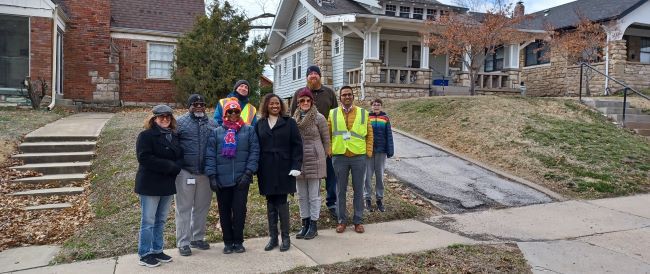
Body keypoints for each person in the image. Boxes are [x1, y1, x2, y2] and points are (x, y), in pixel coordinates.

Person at [205, 98, 260, 254]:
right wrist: (212, 177)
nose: (234, 114)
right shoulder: (216, 133)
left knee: (240, 211)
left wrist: (248, 173)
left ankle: (238, 240)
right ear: (225, 114)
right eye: (230, 111)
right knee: (224, 212)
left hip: (241, 180)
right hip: (222, 180)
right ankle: (228, 242)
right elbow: (210, 156)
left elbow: (254, 152)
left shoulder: (248, 130)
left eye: (236, 111)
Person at [135, 105, 183, 268]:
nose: (165, 119)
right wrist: (170, 166)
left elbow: (179, 156)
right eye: (161, 117)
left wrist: (177, 166)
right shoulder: (146, 136)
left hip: (167, 184)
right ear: (154, 119)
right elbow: (145, 158)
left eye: (168, 117)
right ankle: (145, 253)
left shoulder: (174, 136)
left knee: (161, 220)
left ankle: (157, 250)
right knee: (148, 220)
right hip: (150, 184)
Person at [290, 65, 339, 219]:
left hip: (325, 142)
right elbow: (293, 117)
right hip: (304, 145)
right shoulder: (298, 93)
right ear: (306, 77)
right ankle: (307, 212)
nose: (313, 76)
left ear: (320, 76)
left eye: (315, 73)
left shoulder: (329, 93)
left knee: (331, 175)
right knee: (306, 177)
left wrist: (329, 145)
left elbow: (335, 116)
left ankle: (332, 203)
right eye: (310, 74)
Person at [256, 93, 303, 251]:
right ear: (266, 106)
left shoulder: (289, 122)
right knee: (270, 203)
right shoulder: (260, 123)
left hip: (284, 168)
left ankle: (286, 238)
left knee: (282, 203)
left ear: (281, 106)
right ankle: (273, 238)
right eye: (271, 104)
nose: (275, 106)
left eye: (277, 103)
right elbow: (256, 146)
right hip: (266, 168)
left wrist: (296, 165)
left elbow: (297, 145)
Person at [174, 94, 217, 256]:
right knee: (183, 208)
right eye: (195, 104)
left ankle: (197, 237)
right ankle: (183, 242)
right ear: (189, 106)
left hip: (205, 173)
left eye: (202, 104)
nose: (199, 106)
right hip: (185, 172)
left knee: (201, 208)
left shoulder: (212, 123)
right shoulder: (179, 123)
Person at [328, 86, 373, 234]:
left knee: (358, 189)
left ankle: (358, 221)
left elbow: (369, 134)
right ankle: (342, 221)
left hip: (358, 156)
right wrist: (329, 150)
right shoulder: (333, 113)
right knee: (340, 190)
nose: (347, 97)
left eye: (349, 94)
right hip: (339, 156)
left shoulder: (363, 113)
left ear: (353, 97)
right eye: (344, 95)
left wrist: (368, 151)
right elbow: (328, 133)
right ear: (340, 98)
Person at [292, 88, 330, 240]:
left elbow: (326, 139)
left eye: (308, 100)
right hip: (299, 160)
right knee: (301, 195)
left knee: (314, 195)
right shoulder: (293, 119)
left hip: (315, 158)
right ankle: (305, 223)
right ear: (298, 103)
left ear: (312, 102)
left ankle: (313, 225)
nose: (305, 103)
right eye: (302, 100)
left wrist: (326, 154)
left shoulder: (319, 118)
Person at [364, 98, 394, 213]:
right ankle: (367, 199)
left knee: (380, 176)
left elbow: (389, 135)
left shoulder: (385, 118)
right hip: (369, 152)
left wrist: (390, 150)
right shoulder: (367, 117)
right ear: (371, 106)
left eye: (378, 105)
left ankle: (379, 199)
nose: (376, 106)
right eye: (374, 105)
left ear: (381, 106)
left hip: (381, 151)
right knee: (367, 176)